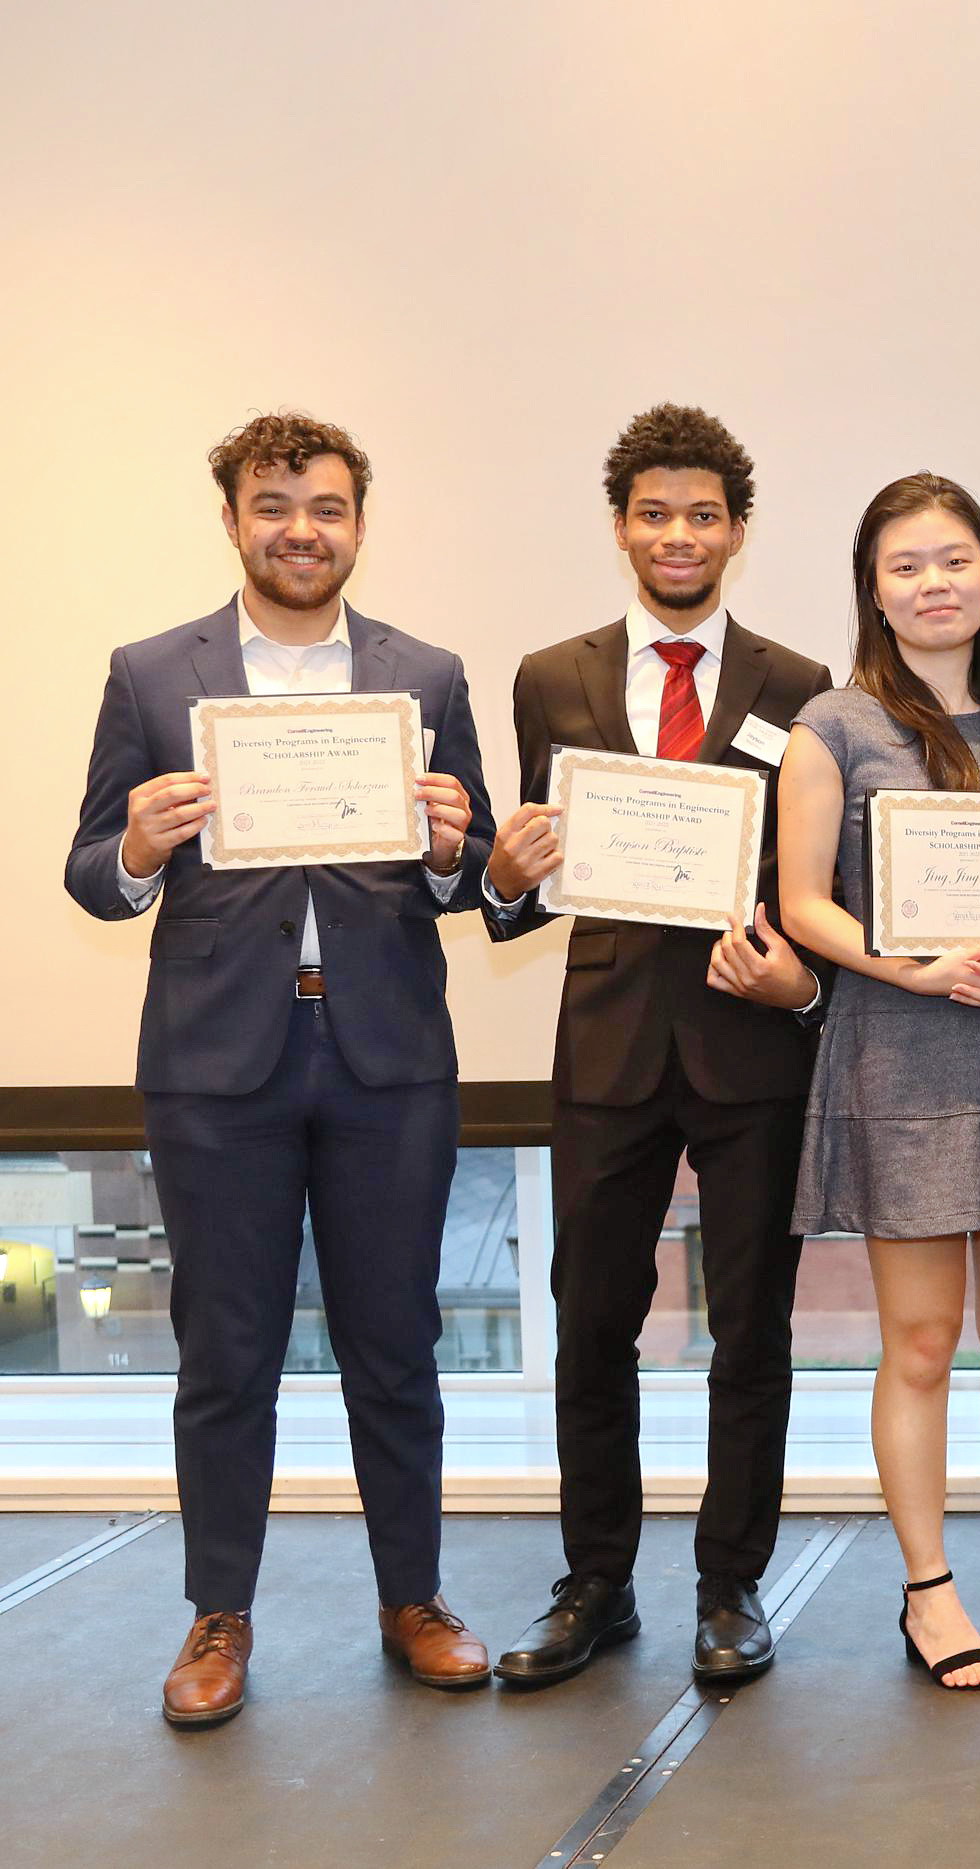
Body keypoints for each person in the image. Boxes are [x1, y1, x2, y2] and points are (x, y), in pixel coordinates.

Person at [65, 412, 498, 1726]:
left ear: (359, 524)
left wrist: (450, 847)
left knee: (397, 1343)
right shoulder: (153, 675)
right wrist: (139, 846)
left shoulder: (427, 675)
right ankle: (219, 1614)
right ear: (233, 519)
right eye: (273, 505)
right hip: (217, 1062)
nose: (300, 530)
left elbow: (475, 874)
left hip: (386, 1056)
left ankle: (413, 1598)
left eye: (326, 507)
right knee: (225, 1350)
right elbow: (91, 874)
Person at [483, 405, 833, 1689]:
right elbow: (533, 881)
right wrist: (506, 880)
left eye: (702, 515)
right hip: (610, 1043)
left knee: (752, 1331)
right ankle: (596, 1583)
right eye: (653, 514)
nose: (677, 535)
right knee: (591, 1324)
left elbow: (816, 878)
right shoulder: (549, 676)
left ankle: (732, 1585)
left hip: (751, 1044)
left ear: (737, 532)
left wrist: (803, 986)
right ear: (620, 527)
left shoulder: (802, 685)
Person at [776, 473, 980, 1689]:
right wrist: (906, 966)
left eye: (953, 559)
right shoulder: (833, 726)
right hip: (898, 1047)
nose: (933, 584)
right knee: (919, 1344)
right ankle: (927, 1593)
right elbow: (802, 902)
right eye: (905, 566)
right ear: (874, 589)